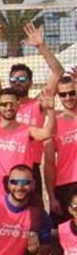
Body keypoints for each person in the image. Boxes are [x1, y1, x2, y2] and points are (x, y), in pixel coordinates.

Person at [0, 16, 65, 181]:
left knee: (34, 207)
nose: (17, 83)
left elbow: (58, 72)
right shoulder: (1, 99)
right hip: (0, 169)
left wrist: (41, 47)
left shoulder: (38, 104)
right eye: (14, 79)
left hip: (29, 168)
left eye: (22, 80)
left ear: (30, 83)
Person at [0, 84, 55, 197]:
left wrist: (51, 111)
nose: (8, 107)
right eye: (4, 104)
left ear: (18, 106)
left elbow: (48, 133)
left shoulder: (27, 130)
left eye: (12, 104)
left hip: (19, 186)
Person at [45, 75, 77, 225]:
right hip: (65, 186)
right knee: (63, 235)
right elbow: (50, 163)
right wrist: (51, 196)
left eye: (72, 92)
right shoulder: (54, 124)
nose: (68, 97)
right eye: (63, 94)